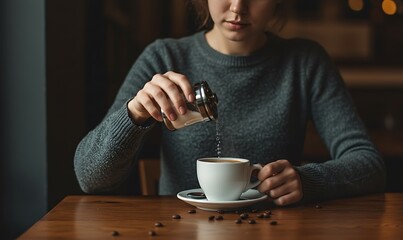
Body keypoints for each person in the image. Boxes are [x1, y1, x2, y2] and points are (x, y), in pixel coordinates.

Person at [74, 0, 386, 206]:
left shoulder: (304, 63)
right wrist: (135, 113)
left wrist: (308, 179)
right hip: (179, 230)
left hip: (275, 231)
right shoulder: (164, 57)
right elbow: (90, 177)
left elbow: (368, 164)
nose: (238, 7)